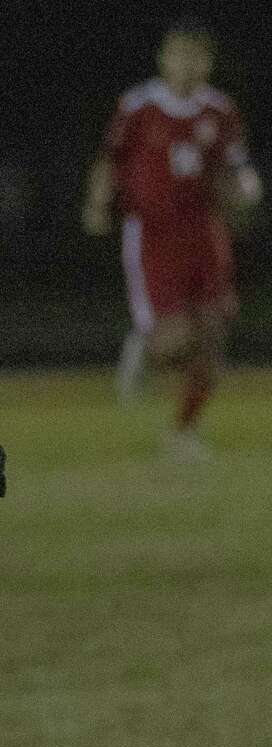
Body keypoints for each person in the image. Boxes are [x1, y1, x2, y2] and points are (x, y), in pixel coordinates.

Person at [82, 20, 262, 455]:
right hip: (153, 235)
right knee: (176, 340)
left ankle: (182, 431)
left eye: (196, 56)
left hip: (205, 232)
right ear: (164, 58)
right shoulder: (139, 106)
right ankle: (143, 346)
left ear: (208, 62)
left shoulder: (220, 110)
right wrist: (97, 203)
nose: (186, 65)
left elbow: (237, 168)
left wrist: (246, 190)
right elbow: (111, 159)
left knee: (215, 333)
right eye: (179, 54)